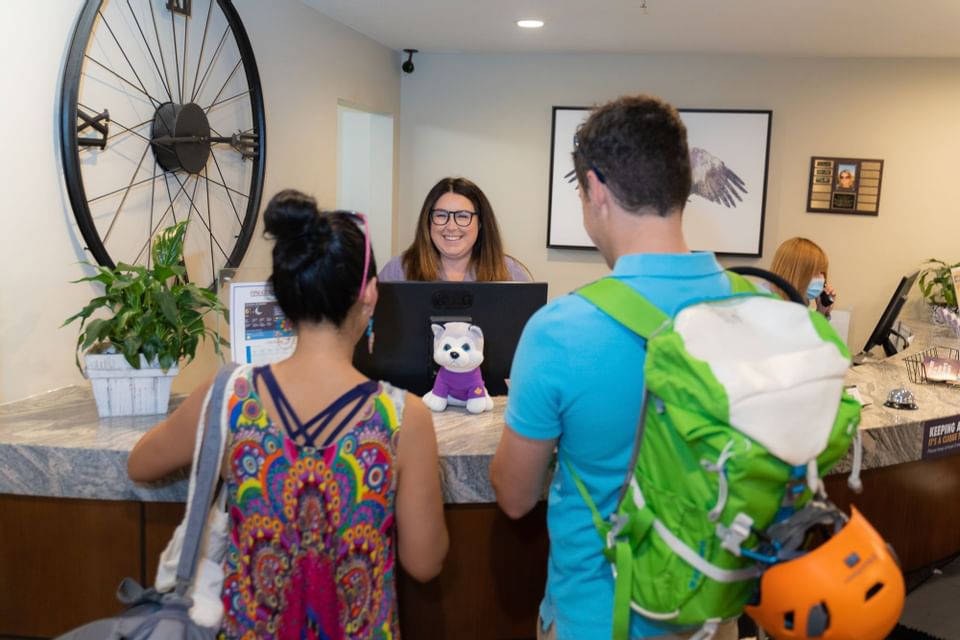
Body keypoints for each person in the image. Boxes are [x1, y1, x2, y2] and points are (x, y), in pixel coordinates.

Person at [128, 189, 448, 638]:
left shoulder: (230, 394)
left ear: (281, 294)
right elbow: (425, 562)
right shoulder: (402, 416)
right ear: (370, 294)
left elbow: (140, 463)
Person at [489, 95, 738, 640]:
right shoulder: (753, 308)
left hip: (598, 619)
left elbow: (513, 496)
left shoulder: (560, 331)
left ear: (596, 190)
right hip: (713, 617)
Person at [378, 176, 532, 282]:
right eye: (441, 215)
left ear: (480, 223)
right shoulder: (399, 270)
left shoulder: (509, 272)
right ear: (428, 221)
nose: (451, 227)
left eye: (463, 216)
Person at [769, 236, 836, 317]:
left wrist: (822, 311)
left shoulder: (799, 308)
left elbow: (807, 328)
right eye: (815, 272)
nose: (822, 278)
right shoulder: (766, 307)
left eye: (822, 272)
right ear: (794, 273)